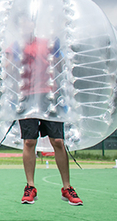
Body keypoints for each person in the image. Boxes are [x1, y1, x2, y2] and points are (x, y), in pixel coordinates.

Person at [18, 32, 82, 206]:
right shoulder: (17, 46)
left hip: (50, 96)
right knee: (29, 142)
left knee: (58, 141)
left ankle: (66, 187)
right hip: (27, 97)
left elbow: (60, 67)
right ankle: (30, 186)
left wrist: (62, 93)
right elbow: (11, 69)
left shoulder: (48, 43)